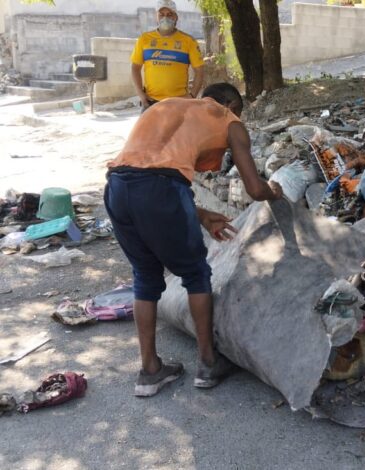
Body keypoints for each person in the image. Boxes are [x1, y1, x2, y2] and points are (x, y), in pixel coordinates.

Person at [104, 82, 283, 397]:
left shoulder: (166, 106)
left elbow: (146, 172)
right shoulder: (228, 119)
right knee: (196, 274)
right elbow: (255, 190)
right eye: (238, 113)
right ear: (231, 105)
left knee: (144, 276)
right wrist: (275, 191)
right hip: (161, 190)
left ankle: (149, 371)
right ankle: (208, 362)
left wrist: (198, 214)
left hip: (117, 188)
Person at [131, 0, 204, 111]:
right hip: (151, 102)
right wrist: (141, 94)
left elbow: (199, 70)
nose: (165, 18)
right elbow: (135, 67)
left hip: (179, 103)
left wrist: (192, 96)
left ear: (176, 17)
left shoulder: (189, 41)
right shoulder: (144, 39)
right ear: (156, 16)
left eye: (170, 14)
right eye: (161, 14)